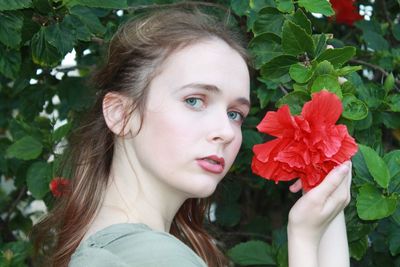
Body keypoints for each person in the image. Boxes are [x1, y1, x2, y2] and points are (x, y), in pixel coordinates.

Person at [31, 6, 352, 267]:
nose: (226, 132)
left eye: (234, 114)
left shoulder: (111, 250)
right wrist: (304, 239)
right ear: (120, 114)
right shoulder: (152, 257)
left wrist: (324, 206)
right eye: (194, 100)